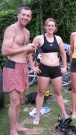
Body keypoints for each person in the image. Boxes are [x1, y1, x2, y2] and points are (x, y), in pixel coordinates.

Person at [28, 18, 69, 125]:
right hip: (44, 69)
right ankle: (37, 116)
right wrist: (33, 67)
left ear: (55, 27)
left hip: (56, 69)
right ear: (45, 27)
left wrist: (64, 67)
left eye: (53, 25)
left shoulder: (58, 39)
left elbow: (63, 53)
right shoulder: (39, 38)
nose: (51, 27)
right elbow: (30, 52)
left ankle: (64, 113)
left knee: (58, 92)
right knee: (41, 93)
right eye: (49, 25)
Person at [1, 6, 35, 135]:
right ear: (18, 15)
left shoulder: (27, 32)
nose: (25, 17)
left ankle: (16, 125)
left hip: (23, 67)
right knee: (14, 101)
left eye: (28, 16)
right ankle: (12, 130)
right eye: (23, 15)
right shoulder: (11, 30)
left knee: (20, 99)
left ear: (30, 18)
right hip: (12, 66)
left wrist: (31, 49)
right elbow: (4, 51)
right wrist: (24, 48)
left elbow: (25, 51)